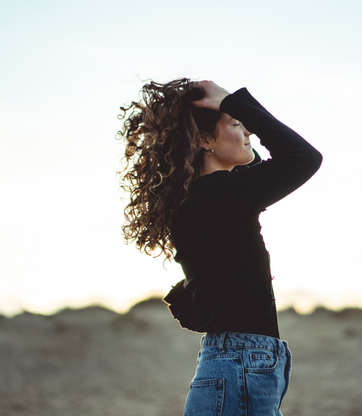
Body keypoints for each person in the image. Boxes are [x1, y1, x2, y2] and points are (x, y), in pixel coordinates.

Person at [117, 78, 322, 415]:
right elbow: (302, 158)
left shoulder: (203, 198)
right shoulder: (219, 196)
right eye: (237, 125)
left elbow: (262, 163)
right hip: (240, 366)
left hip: (237, 366)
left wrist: (232, 111)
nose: (249, 134)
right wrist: (234, 102)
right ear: (203, 139)